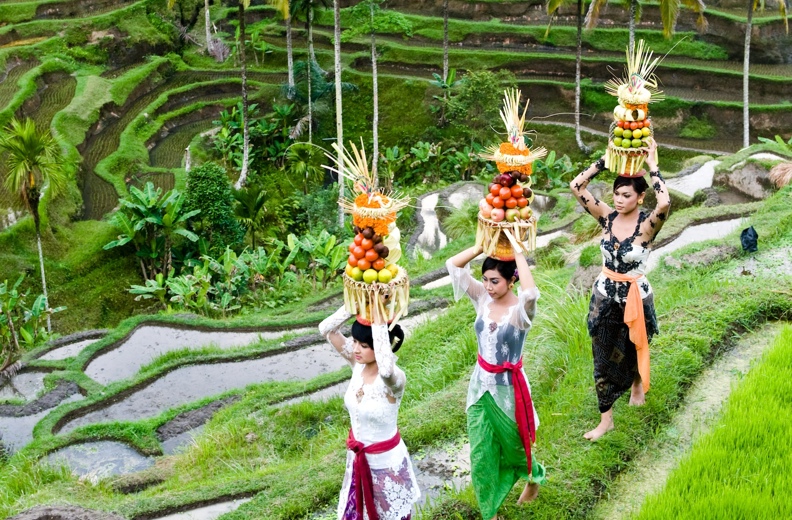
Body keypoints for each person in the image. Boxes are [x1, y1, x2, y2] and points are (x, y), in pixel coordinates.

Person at [569, 138, 671, 441]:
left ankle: (637, 383)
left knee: (634, 345)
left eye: (626, 195)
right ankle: (606, 420)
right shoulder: (606, 217)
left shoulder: (648, 224)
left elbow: (664, 203)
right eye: (616, 194)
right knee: (601, 355)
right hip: (604, 297)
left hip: (636, 296)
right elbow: (577, 186)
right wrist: (604, 161)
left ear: (640, 197)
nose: (618, 200)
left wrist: (653, 167)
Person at [446, 231, 546, 520]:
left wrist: (517, 250)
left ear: (511, 280)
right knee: (480, 452)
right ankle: (489, 512)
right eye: (485, 280)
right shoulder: (482, 299)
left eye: (495, 281)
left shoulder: (521, 312)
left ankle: (533, 476)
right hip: (479, 386)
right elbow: (453, 265)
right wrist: (481, 245)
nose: (488, 287)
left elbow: (531, 293)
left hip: (508, 389)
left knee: (515, 447)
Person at [319, 304, 420, 520]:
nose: (356, 349)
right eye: (355, 342)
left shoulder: (395, 380)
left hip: (386, 465)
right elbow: (326, 329)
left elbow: (386, 369)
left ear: (381, 346)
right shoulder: (358, 365)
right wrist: (354, 305)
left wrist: (379, 320)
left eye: (364, 345)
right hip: (357, 460)